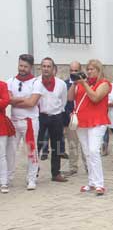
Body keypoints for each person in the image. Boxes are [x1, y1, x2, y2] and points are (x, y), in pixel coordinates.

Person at [72, 59, 112, 195]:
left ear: (98, 70)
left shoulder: (104, 83)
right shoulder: (82, 83)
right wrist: (75, 84)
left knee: (94, 150)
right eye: (88, 69)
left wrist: (84, 84)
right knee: (87, 152)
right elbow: (70, 98)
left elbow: (95, 98)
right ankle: (91, 182)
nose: (89, 71)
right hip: (82, 121)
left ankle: (100, 183)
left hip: (97, 121)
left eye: (92, 69)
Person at [7, 54, 42, 190]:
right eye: (20, 65)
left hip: (30, 122)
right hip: (14, 121)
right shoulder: (10, 81)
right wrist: (24, 100)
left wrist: (15, 101)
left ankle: (31, 178)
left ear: (30, 67)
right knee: (10, 150)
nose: (22, 68)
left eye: (25, 66)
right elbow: (8, 100)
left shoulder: (36, 82)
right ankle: (7, 178)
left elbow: (32, 103)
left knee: (31, 150)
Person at [37, 57, 68, 182]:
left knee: (57, 145)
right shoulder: (36, 82)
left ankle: (56, 173)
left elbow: (63, 101)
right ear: (41, 67)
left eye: (48, 66)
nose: (46, 69)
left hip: (56, 117)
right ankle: (33, 171)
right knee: (37, 144)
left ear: (53, 68)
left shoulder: (61, 84)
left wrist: (57, 113)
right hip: (40, 117)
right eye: (44, 66)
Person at [63, 61, 86, 176]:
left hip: (84, 118)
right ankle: (73, 167)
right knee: (72, 144)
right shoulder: (65, 84)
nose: (73, 73)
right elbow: (66, 100)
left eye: (76, 70)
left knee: (85, 144)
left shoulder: (86, 83)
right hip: (71, 118)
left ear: (80, 70)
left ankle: (88, 167)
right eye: (71, 70)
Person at [0, 80, 15, 193]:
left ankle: (3, 181)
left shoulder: (2, 85)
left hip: (0, 124)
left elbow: (5, 102)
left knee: (1, 155)